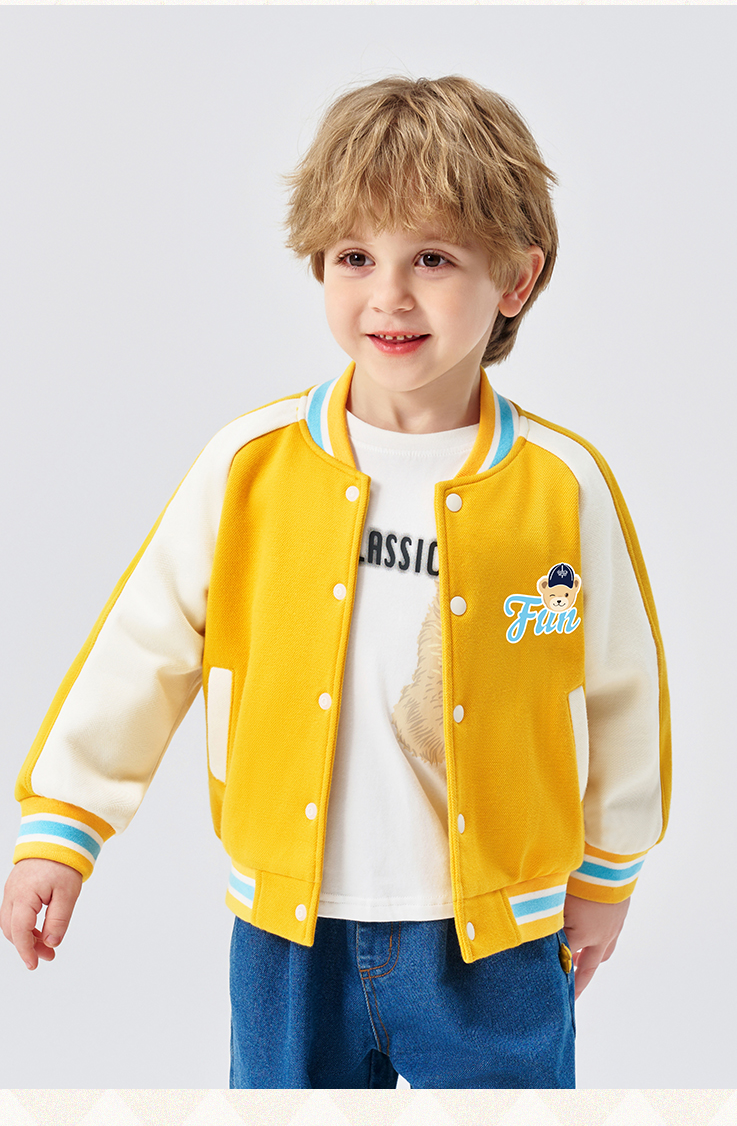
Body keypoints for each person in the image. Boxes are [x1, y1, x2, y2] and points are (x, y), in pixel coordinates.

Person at [1, 75, 670, 1089]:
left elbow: (622, 691)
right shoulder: (250, 466)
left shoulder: (560, 486)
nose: (388, 295)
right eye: (356, 256)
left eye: (432, 258)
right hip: (290, 929)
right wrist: (64, 825)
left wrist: (609, 871)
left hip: (498, 932)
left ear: (516, 278)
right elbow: (143, 646)